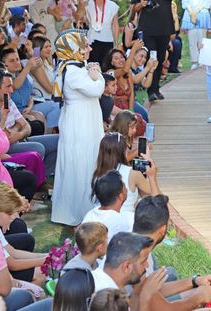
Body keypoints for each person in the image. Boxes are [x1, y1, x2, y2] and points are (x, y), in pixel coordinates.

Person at [133, 195, 211, 310]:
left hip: (153, 304)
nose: (146, 265)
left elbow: (154, 291)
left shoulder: (138, 247)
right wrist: (198, 298)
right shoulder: (136, 258)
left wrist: (195, 281)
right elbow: (164, 307)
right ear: (163, 230)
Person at [51, 30, 105, 226]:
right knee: (80, 162)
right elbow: (97, 89)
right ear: (74, 49)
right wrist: (98, 76)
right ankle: (78, 210)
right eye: (85, 46)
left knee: (86, 160)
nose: (89, 48)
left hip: (83, 119)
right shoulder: (72, 71)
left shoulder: (74, 67)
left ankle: (84, 206)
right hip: (79, 123)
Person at [130, 0, 176, 102]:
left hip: (164, 30)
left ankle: (156, 88)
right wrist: (141, 5)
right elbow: (133, 9)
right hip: (147, 31)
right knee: (151, 58)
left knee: (160, 59)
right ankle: (149, 90)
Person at [91, 133, 160, 225]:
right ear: (123, 151)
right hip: (125, 222)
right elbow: (155, 194)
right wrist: (152, 174)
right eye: (127, 147)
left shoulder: (97, 174)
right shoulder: (132, 172)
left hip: (99, 220)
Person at [82, 170, 132, 242]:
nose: (127, 189)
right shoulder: (125, 220)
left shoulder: (89, 216)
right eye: (125, 187)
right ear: (120, 197)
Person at [182, 0, 211, 66]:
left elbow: (207, 1)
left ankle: (202, 61)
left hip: (202, 13)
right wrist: (192, 12)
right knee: (192, 39)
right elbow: (185, 1)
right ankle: (194, 61)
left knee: (202, 39)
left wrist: (197, 11)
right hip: (190, 14)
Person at [86, 0, 120, 64]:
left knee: (105, 68)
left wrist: (116, 44)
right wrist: (81, 7)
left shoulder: (112, 6)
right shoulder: (88, 4)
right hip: (92, 41)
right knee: (93, 68)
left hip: (107, 41)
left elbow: (115, 25)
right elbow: (79, 18)